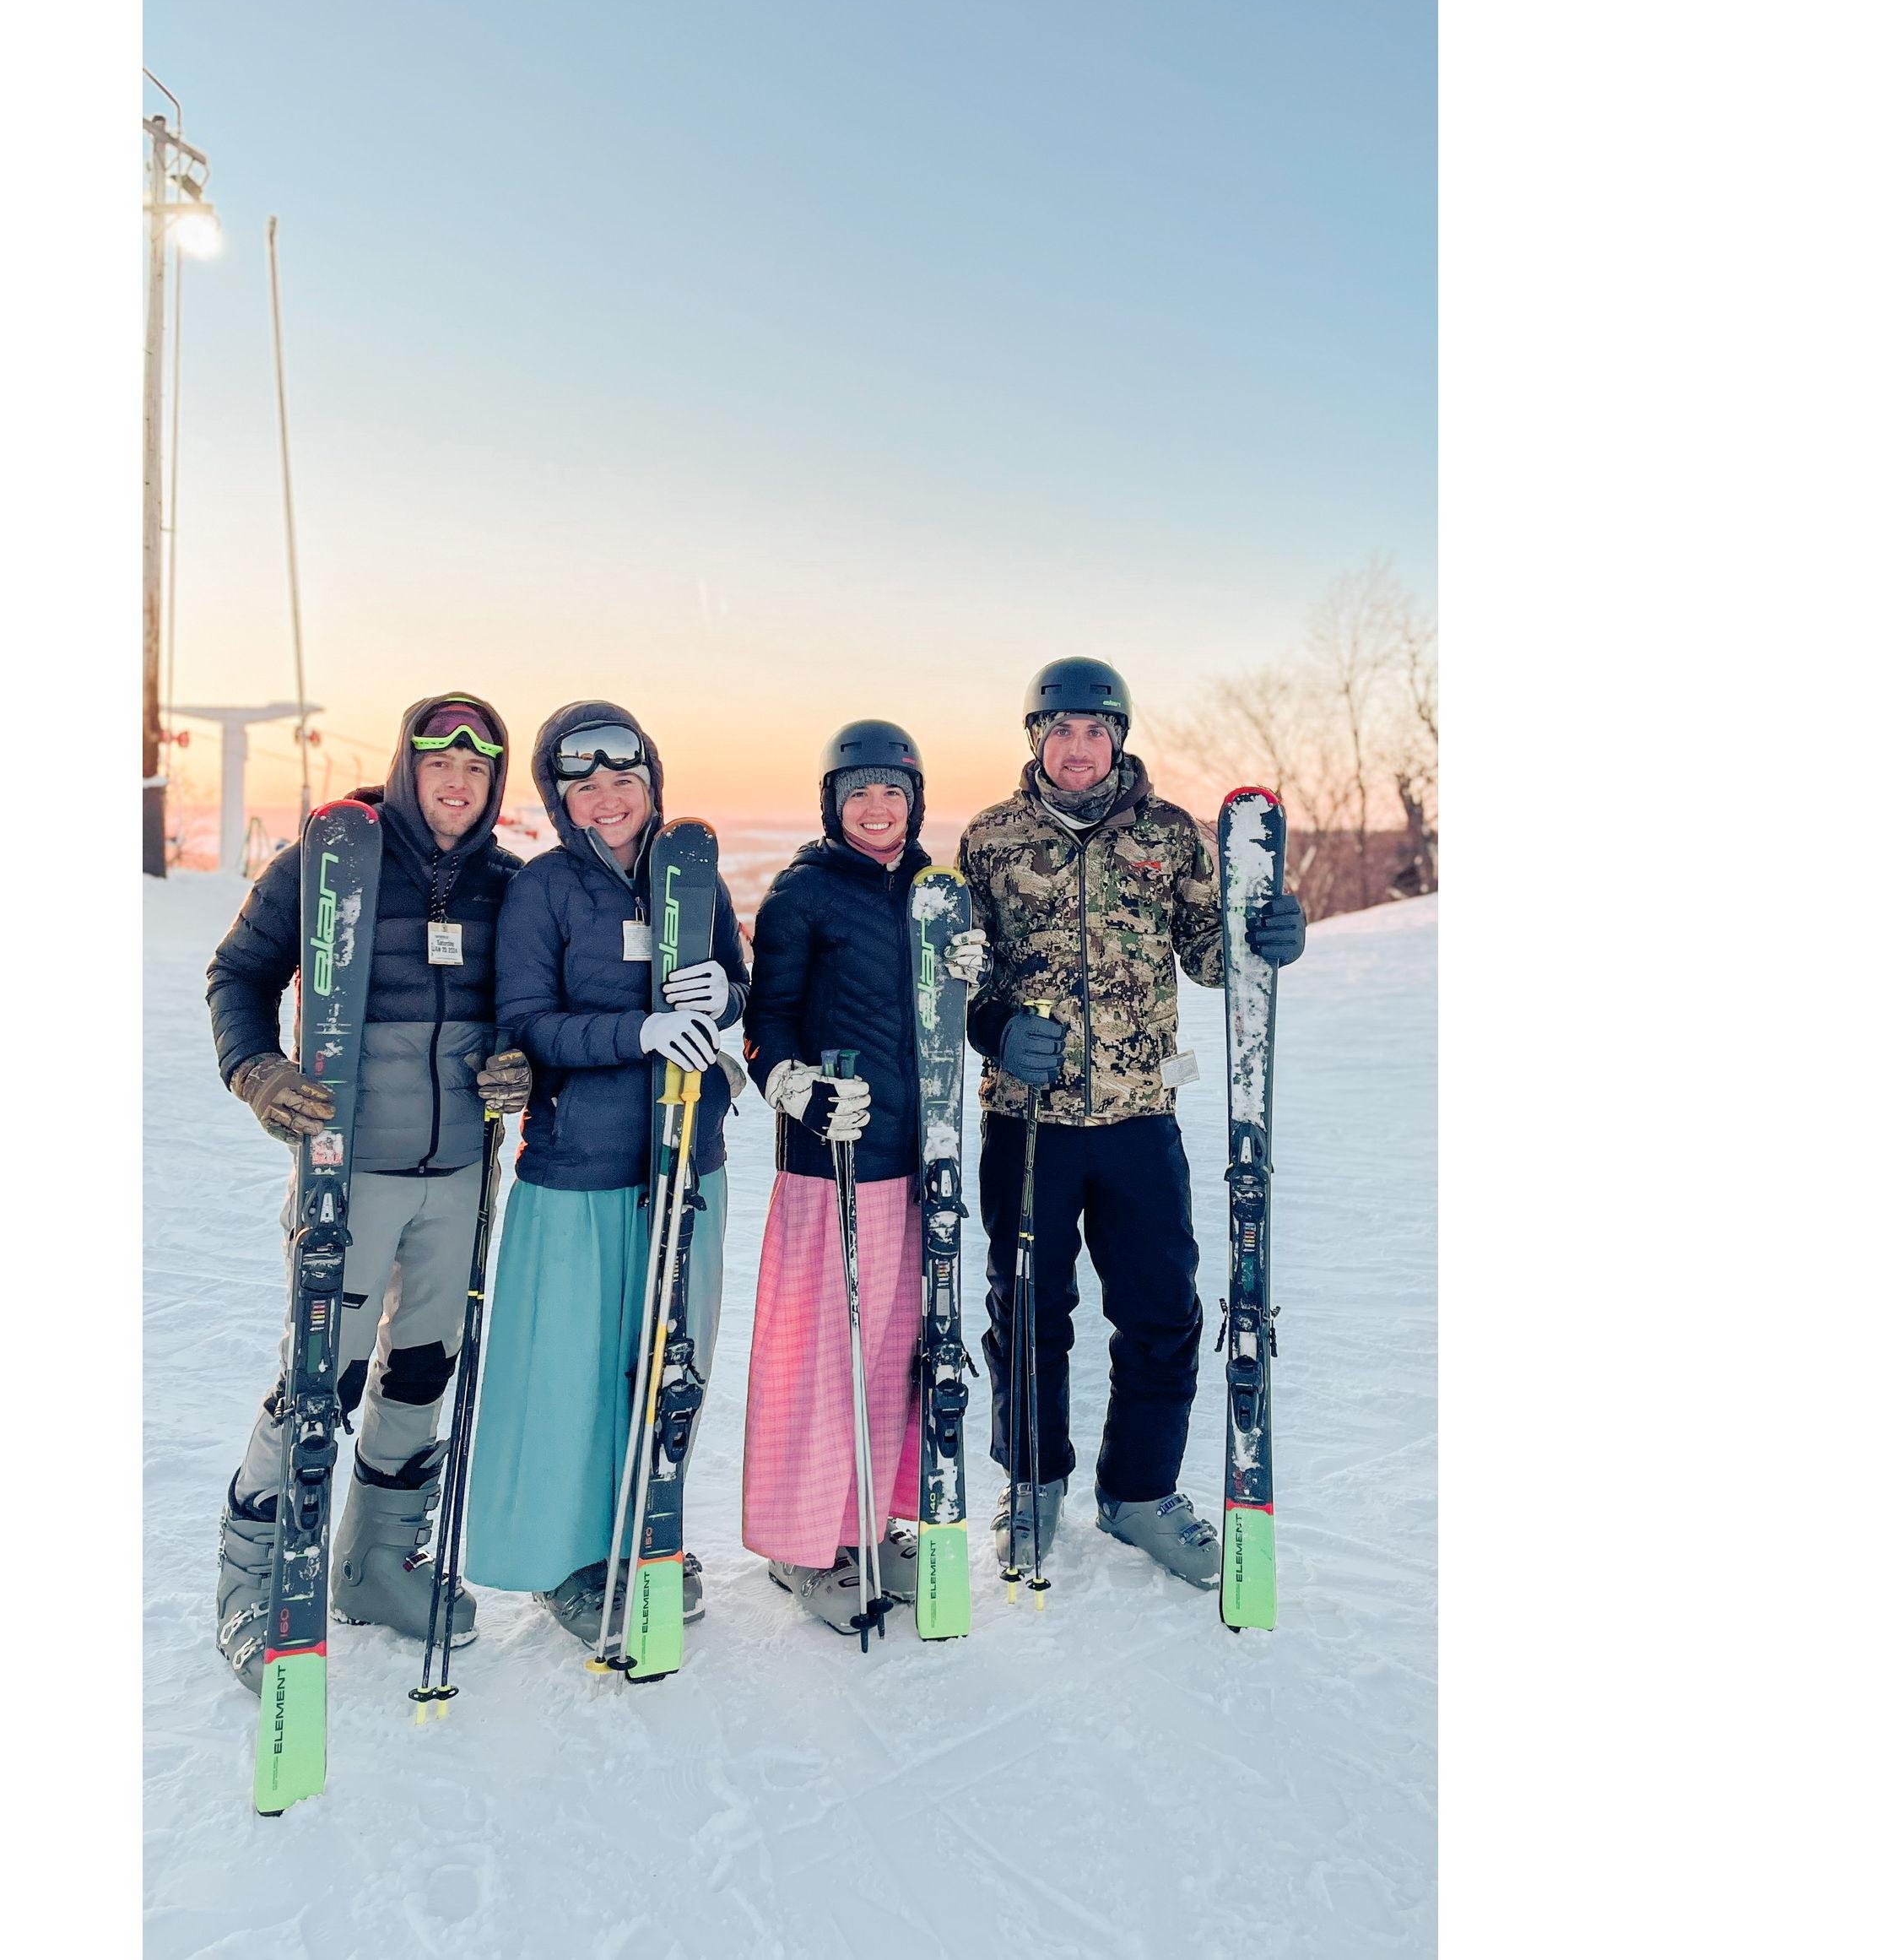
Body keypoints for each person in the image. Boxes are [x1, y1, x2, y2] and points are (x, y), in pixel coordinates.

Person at [205, 694, 533, 1692]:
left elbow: (528, 1009)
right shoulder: (328, 856)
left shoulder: (507, 886)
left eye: (478, 770)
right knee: (323, 1377)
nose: (457, 782)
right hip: (351, 1170)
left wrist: (522, 1066)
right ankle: (253, 1585)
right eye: (440, 763)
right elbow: (239, 973)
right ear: (407, 765)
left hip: (463, 1174)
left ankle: (377, 1564)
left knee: (422, 1373)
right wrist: (256, 1070)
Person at [959, 658, 1305, 1589]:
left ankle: (1139, 1493)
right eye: (1060, 729)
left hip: (1139, 1115)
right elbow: (956, 970)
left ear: (1119, 736)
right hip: (1024, 1122)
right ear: (1035, 737)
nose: (1078, 746)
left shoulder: (1168, 835)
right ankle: (1030, 1484)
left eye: (1095, 729)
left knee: (1159, 1311)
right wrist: (991, 1026)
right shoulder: (989, 838)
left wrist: (1261, 938)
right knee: (1027, 1310)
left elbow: (1208, 955)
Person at [460, 701, 749, 1648]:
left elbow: (736, 983)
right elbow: (529, 1022)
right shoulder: (542, 889)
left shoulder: (692, 873)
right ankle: (567, 1559)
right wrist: (637, 1031)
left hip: (683, 1162)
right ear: (560, 800)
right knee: (571, 1371)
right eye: (585, 787)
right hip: (579, 1168)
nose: (609, 799)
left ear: (651, 782)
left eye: (624, 781)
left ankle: (644, 1528)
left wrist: (721, 994)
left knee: (667, 1360)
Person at [739, 722, 987, 1636]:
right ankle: (802, 1547)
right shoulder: (803, 891)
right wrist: (793, 1086)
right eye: (858, 793)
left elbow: (943, 1022)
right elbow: (765, 1017)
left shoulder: (935, 893)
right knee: (819, 1358)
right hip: (832, 1160)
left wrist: (971, 976)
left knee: (892, 1356)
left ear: (915, 799)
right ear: (831, 803)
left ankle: (870, 1524)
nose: (876, 808)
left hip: (919, 1159)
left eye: (892, 791)